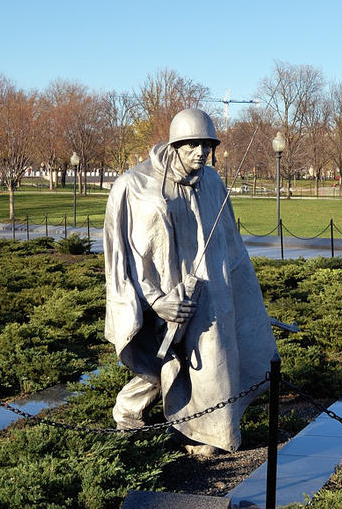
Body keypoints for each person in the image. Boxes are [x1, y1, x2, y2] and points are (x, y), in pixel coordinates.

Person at [103, 108, 277, 455]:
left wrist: (240, 300)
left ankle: (208, 434)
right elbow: (126, 253)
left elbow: (231, 246)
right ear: (176, 144)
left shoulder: (212, 183)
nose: (201, 153)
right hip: (156, 295)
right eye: (192, 145)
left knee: (209, 356)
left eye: (206, 145)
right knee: (160, 356)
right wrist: (155, 300)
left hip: (207, 292)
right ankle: (128, 410)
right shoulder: (134, 186)